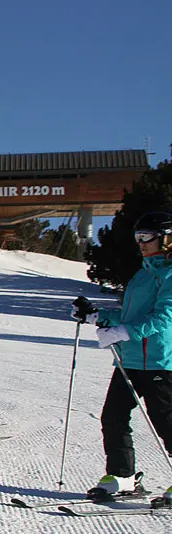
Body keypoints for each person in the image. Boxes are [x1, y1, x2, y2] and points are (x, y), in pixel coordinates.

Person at [71, 211, 172, 505]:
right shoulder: (142, 275)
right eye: (138, 237)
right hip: (129, 359)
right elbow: (129, 316)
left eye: (147, 237)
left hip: (159, 360)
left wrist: (124, 332)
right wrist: (96, 316)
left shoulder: (169, 275)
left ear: (167, 239)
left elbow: (164, 317)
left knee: (164, 420)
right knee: (113, 416)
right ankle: (122, 476)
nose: (141, 243)